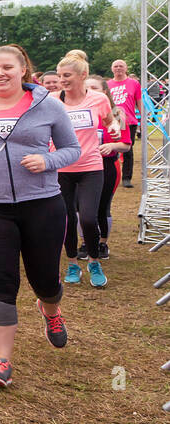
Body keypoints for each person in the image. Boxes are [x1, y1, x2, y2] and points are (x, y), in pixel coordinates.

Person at [0, 45, 80, 389]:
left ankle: (51, 311)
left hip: (42, 203)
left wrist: (48, 161)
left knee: (44, 280)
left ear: (23, 69)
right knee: (1, 282)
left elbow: (74, 149)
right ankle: (1, 360)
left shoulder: (48, 104)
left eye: (7, 67)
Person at [56, 50, 113, 288]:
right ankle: (72, 264)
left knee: (89, 218)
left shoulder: (99, 99)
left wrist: (115, 131)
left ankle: (93, 261)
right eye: (60, 76)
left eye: (67, 75)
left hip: (91, 167)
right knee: (67, 220)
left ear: (83, 74)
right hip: (60, 169)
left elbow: (109, 121)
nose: (62, 80)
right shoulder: (52, 101)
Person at [87, 76, 130, 262]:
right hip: (83, 166)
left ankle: (102, 242)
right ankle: (86, 242)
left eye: (94, 88)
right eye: (86, 88)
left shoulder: (117, 114)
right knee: (81, 208)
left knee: (102, 206)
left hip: (107, 165)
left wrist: (112, 146)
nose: (90, 91)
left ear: (105, 91)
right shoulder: (79, 112)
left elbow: (126, 144)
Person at [107, 60, 141, 188]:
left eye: (121, 66)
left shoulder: (134, 83)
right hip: (112, 120)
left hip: (129, 120)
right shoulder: (108, 84)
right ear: (112, 69)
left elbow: (139, 101)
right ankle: (111, 174)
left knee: (127, 149)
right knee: (111, 148)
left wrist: (142, 119)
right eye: (115, 66)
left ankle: (127, 178)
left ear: (126, 68)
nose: (118, 68)